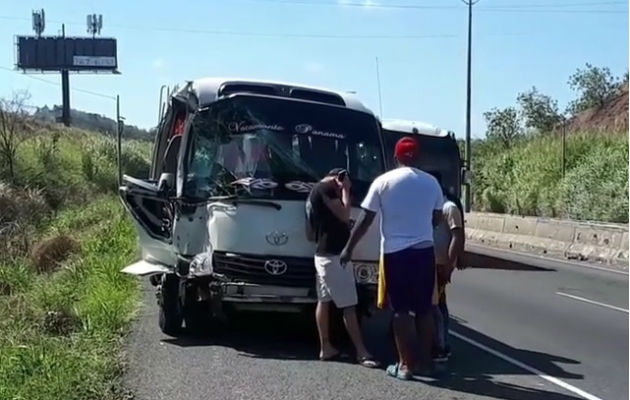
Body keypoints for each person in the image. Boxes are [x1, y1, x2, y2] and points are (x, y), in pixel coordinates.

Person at [341, 137, 443, 380]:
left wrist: (348, 248)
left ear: (395, 157)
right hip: (424, 252)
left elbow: (365, 220)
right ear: (417, 158)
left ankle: (405, 365)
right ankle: (426, 364)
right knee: (425, 310)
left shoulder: (383, 182)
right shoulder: (431, 183)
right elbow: (437, 217)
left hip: (396, 254)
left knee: (400, 311)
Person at [305, 168, 379, 368]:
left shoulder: (314, 192)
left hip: (323, 254)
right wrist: (345, 191)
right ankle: (361, 352)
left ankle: (326, 347)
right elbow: (345, 215)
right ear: (339, 178)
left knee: (324, 300)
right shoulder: (325, 190)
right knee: (349, 305)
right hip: (334, 255)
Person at [431, 175, 466, 363]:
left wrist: (449, 266)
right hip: (429, 263)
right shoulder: (435, 208)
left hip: (440, 265)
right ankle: (436, 342)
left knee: (437, 306)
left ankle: (442, 346)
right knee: (434, 304)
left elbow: (457, 237)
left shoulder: (449, 208)